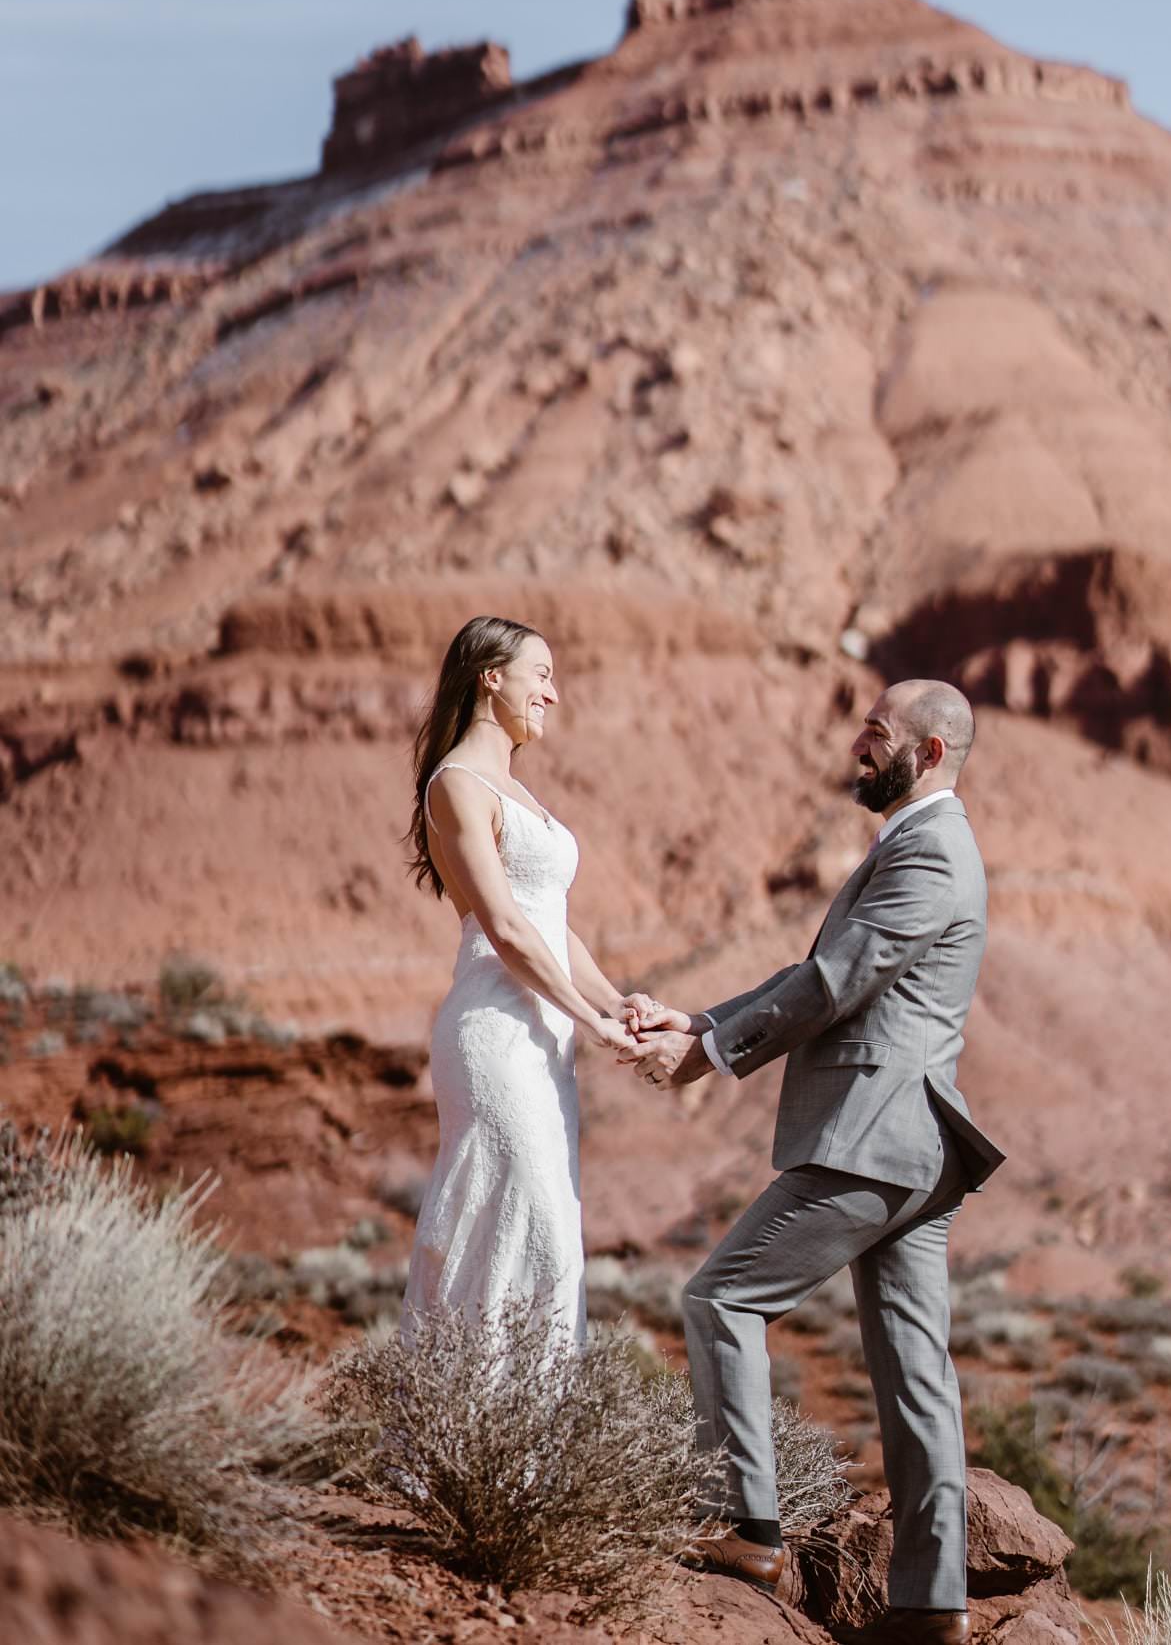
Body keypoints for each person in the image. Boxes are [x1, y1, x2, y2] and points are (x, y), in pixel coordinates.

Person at [633, 679, 1002, 1645]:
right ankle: (931, 1606)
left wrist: (711, 1058)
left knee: (723, 1299)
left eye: (876, 736)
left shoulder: (932, 854)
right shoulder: (917, 846)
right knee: (916, 1370)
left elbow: (835, 983)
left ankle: (746, 1527)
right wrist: (704, 1018)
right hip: (912, 1146)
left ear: (927, 755)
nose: (856, 747)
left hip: (874, 1140)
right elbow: (817, 972)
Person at [399, 615, 658, 1350]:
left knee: (550, 1236)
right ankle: (475, 1440)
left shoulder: (516, 789)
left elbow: (552, 925)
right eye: (540, 674)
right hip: (497, 1032)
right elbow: (506, 928)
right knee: (524, 1222)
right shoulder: (457, 785)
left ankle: (530, 1454)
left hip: (544, 1036)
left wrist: (614, 1002)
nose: (553, 693)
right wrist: (591, 1018)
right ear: (491, 676)